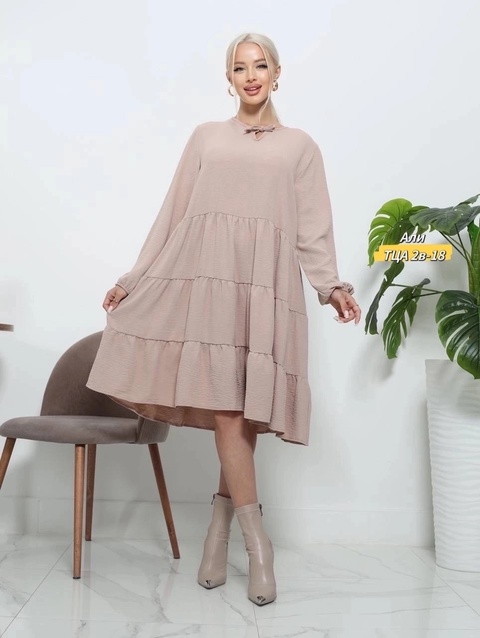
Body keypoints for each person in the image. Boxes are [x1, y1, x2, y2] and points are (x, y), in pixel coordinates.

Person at [86, 32, 361, 606]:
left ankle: (218, 530)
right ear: (229, 78)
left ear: (278, 74)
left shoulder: (300, 146)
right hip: (208, 282)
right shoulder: (206, 137)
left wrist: (330, 287)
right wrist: (133, 278)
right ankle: (258, 545)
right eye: (240, 67)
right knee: (227, 409)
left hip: (265, 288)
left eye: (260, 66)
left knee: (241, 410)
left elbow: (313, 229)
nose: (251, 76)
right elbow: (172, 214)